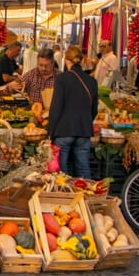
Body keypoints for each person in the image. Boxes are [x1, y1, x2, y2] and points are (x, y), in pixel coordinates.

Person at [48, 45, 99, 178]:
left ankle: (65, 196)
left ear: (66, 60)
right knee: (83, 167)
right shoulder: (92, 81)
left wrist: (50, 131)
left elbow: (56, 108)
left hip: (64, 131)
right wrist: (85, 121)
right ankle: (86, 195)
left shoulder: (61, 79)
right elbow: (94, 110)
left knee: (62, 171)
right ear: (81, 61)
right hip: (83, 131)